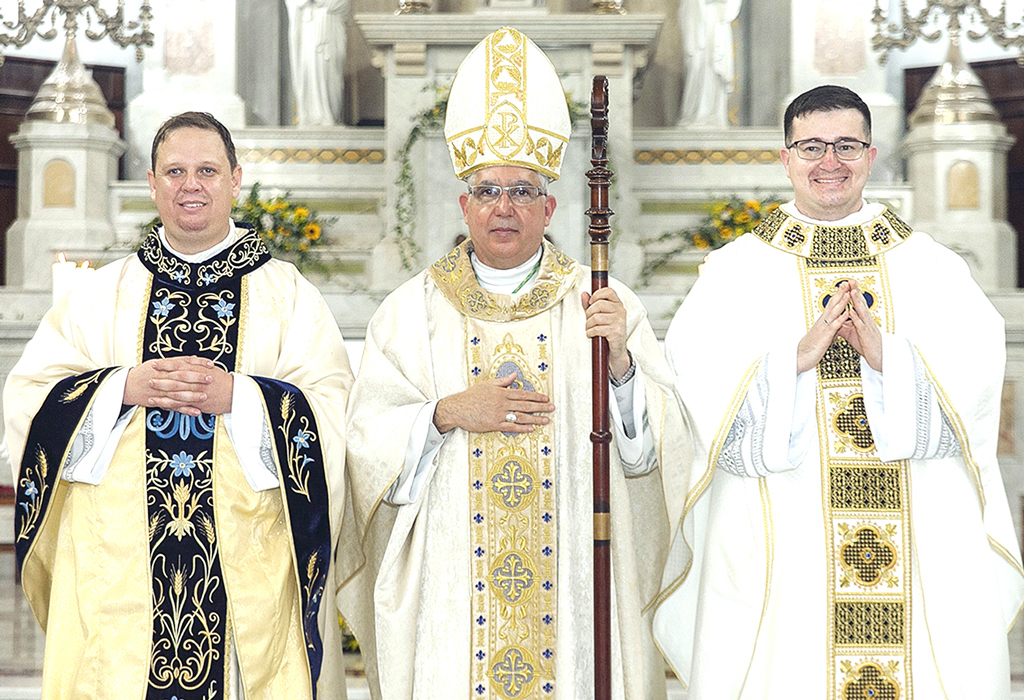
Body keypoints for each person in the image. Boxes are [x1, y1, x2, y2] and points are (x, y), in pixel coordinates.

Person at [338, 27, 690, 700]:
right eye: (489, 191)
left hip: (576, 589)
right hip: (453, 584)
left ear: (550, 207)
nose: (505, 206)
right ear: (464, 205)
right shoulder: (410, 312)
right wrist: (444, 414)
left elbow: (655, 458)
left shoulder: (604, 305)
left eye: (523, 192)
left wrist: (620, 364)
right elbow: (364, 449)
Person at [653, 84, 1024, 698]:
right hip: (785, 525)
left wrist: (889, 360)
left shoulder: (930, 265)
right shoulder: (736, 270)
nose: (830, 162)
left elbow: (979, 374)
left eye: (846, 145)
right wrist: (791, 362)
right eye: (812, 147)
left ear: (872, 156)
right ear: (786, 158)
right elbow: (691, 379)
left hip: (916, 519)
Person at [4, 111, 353, 699]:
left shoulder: (288, 295)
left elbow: (335, 412)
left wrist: (242, 397)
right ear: (151, 182)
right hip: (122, 573)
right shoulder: (101, 294)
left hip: (250, 567)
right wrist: (120, 388)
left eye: (207, 170)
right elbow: (29, 398)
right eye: (175, 171)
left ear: (235, 180)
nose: (191, 185)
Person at [285, 0, 349, 126]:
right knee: (308, 68)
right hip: (307, 27)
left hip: (330, 26)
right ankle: (310, 115)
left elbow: (344, 5)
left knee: (330, 73)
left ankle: (331, 114)